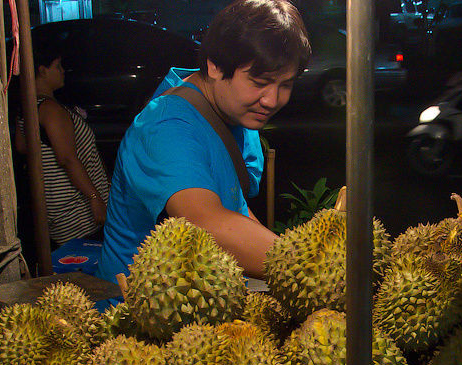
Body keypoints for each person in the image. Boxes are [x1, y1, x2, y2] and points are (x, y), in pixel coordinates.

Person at [96, 0, 311, 283]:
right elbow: (205, 222)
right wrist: (309, 266)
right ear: (215, 66)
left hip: (205, 296)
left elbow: (233, 209)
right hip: (136, 307)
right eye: (259, 82)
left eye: (285, 85)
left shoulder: (235, 112)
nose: (272, 100)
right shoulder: (166, 126)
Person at [15, 45, 109, 247]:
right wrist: (94, 198)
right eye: (57, 66)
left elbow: (22, 148)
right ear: (42, 71)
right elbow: (67, 158)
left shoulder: (28, 107)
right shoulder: (50, 110)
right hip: (76, 210)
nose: (62, 71)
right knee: (85, 263)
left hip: (55, 207)